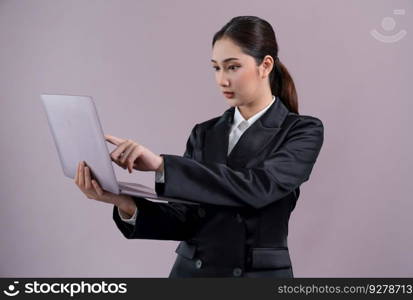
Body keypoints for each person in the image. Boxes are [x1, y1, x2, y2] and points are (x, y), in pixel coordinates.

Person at [75, 16, 324, 278]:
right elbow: (184, 218)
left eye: (233, 67)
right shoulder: (204, 132)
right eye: (216, 68)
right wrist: (119, 199)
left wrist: (162, 165)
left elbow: (259, 187)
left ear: (265, 65)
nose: (222, 80)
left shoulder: (302, 130)